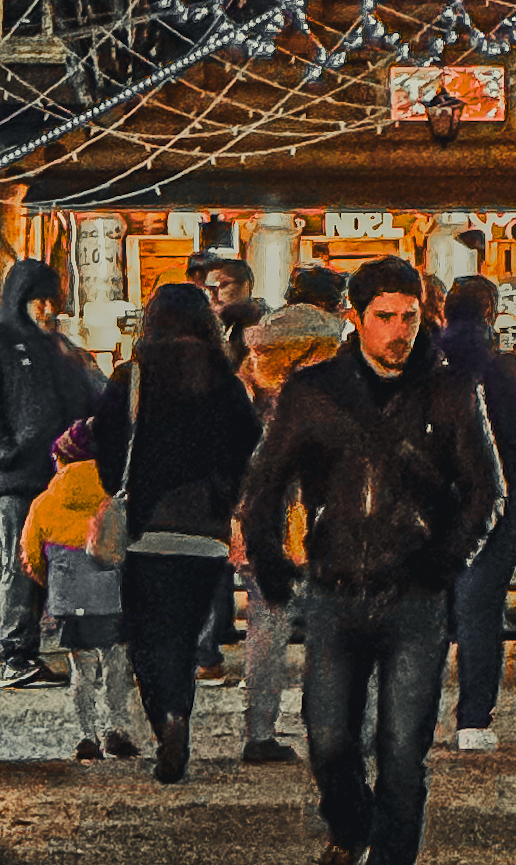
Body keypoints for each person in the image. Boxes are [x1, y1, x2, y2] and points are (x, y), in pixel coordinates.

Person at [238, 258, 503, 865]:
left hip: (413, 595)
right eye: (385, 317)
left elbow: (485, 489)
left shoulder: (449, 391)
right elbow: (266, 479)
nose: (398, 330)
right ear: (354, 318)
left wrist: (445, 560)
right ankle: (350, 827)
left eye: (409, 316)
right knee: (328, 738)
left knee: (402, 749)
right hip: (334, 589)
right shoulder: (314, 392)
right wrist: (270, 558)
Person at [91, 282, 261, 784]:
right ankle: (180, 713)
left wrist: (118, 486)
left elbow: (106, 440)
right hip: (205, 528)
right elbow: (248, 443)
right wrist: (225, 495)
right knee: (186, 636)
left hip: (145, 526)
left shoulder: (132, 377)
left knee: (146, 634)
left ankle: (164, 721)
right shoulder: (223, 380)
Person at [435, 275, 516, 753]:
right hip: (502, 505)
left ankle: (414, 713)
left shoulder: (426, 366)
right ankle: (473, 719)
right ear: (492, 312)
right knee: (480, 610)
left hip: (434, 508)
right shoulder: (509, 369)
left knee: (427, 608)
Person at [0, 259, 100, 695]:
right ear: (20, 299)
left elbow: (95, 395)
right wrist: (5, 452)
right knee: (19, 565)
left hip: (64, 479)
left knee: (70, 560)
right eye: (38, 300)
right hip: (15, 479)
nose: (47, 309)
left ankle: (81, 648)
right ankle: (16, 657)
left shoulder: (62, 349)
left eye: (51, 300)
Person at [224, 272, 348, 765]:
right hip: (324, 501)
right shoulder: (335, 352)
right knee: (330, 621)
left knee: (265, 622)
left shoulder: (255, 353)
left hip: (263, 499)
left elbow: (239, 430)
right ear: (333, 304)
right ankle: (327, 725)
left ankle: (259, 729)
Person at [19, 419, 143, 760]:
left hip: (71, 600)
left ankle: (86, 735)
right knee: (117, 667)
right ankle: (117, 729)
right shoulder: (115, 499)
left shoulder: (43, 503)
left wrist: (53, 585)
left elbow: (30, 556)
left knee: (83, 670)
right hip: (114, 598)